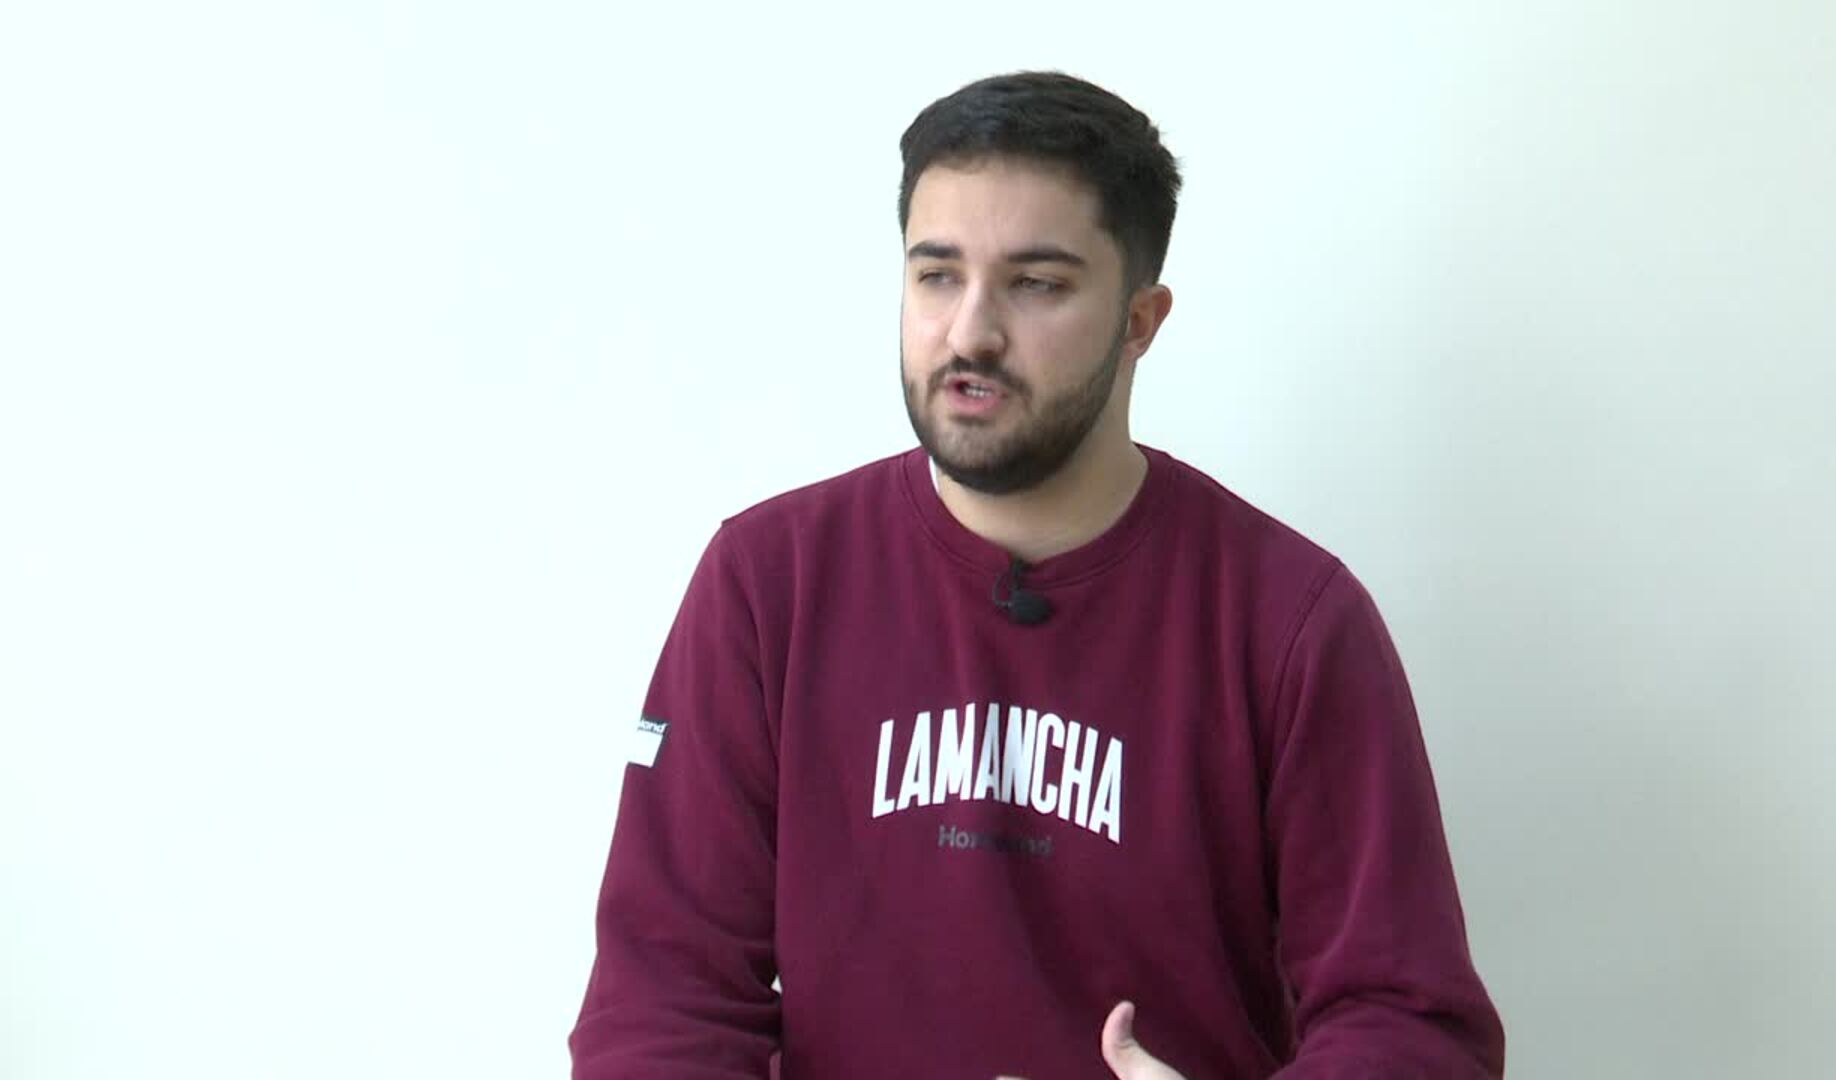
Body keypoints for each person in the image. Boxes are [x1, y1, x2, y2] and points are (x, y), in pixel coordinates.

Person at [569, 71, 1505, 1079]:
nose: (970, 331)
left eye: (1037, 284)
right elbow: (660, 1001)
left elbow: (1410, 1024)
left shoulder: (1291, 622)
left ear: (1140, 320)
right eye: (937, 275)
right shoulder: (768, 585)